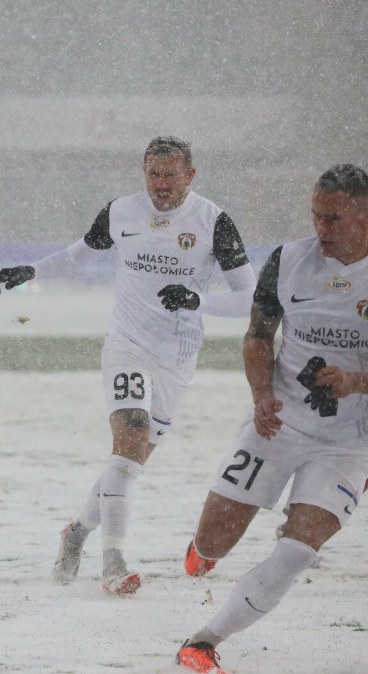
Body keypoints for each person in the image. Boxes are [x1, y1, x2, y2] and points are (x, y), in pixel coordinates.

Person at [0, 136, 258, 595]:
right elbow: (79, 256)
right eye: (153, 174)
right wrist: (29, 273)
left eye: (171, 175)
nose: (161, 184)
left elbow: (251, 299)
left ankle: (76, 533)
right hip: (126, 343)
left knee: (128, 460)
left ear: (190, 175)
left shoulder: (215, 223)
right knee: (130, 432)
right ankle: (113, 560)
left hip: (177, 358)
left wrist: (197, 301)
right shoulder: (121, 212)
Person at [174, 164, 368, 673]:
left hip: (349, 443)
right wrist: (261, 395)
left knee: (298, 549)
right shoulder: (288, 260)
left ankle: (203, 641)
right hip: (278, 423)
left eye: (333, 218)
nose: (321, 229)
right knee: (213, 540)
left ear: (364, 216)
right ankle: (204, 549)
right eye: (315, 216)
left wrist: (355, 383)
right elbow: (259, 335)